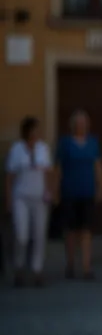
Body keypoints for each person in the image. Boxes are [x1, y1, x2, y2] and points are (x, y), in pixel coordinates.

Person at [54, 110, 102, 280]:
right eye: (79, 122)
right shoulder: (65, 143)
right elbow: (58, 168)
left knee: (86, 231)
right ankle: (70, 265)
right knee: (69, 231)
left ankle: (86, 267)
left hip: (87, 191)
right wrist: (55, 190)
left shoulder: (93, 143)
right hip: (69, 191)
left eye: (84, 122)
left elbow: (98, 166)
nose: (82, 125)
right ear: (73, 125)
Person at [6, 116, 53, 286]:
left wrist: (50, 191)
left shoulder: (43, 148)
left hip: (39, 197)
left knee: (39, 235)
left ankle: (37, 269)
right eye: (34, 129)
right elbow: (10, 176)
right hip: (21, 197)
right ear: (27, 131)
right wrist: (8, 199)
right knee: (21, 235)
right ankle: (18, 267)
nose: (37, 133)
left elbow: (48, 172)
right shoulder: (17, 149)